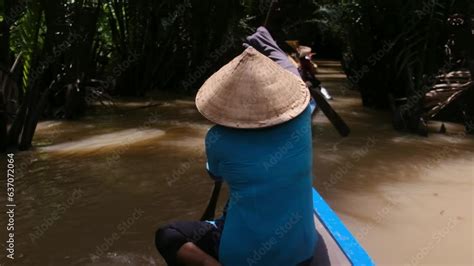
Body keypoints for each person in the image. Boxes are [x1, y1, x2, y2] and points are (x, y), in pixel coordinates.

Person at [155, 27, 329, 266]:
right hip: (300, 255)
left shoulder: (217, 138)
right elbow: (292, 74)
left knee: (169, 235)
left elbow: (214, 174)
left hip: (241, 258)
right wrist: (266, 43)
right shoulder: (300, 121)